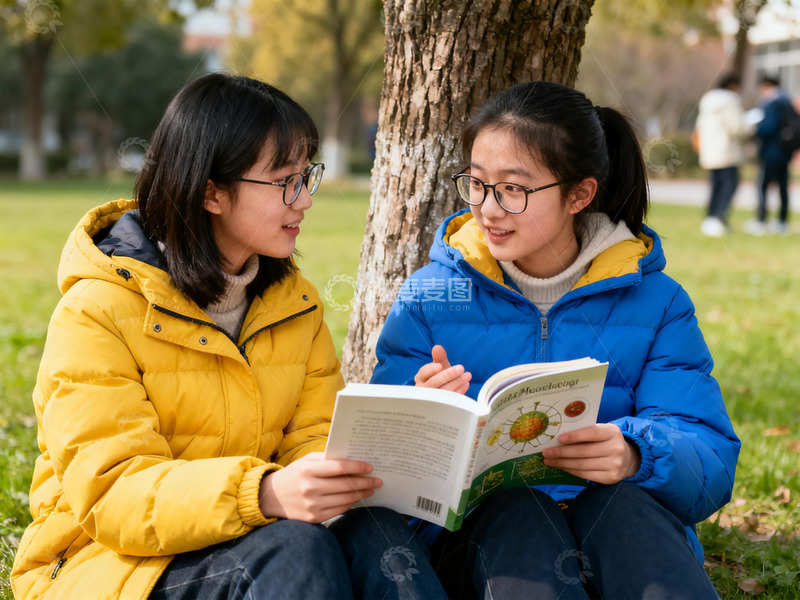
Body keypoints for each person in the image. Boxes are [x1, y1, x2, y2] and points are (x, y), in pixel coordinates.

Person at [11, 73, 446, 600]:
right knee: (295, 548)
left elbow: (311, 443)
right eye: (285, 180)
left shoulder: (293, 304)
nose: (305, 199)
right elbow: (113, 495)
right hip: (110, 566)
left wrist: (400, 431)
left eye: (306, 175)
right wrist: (261, 493)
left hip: (256, 538)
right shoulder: (96, 311)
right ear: (211, 192)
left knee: (377, 533)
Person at [371, 81, 740, 599]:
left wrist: (636, 454)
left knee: (625, 504)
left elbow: (709, 456)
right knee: (518, 509)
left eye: (514, 189)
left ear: (579, 194)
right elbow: (380, 467)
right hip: (481, 541)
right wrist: (421, 415)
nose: (489, 209)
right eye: (476, 183)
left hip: (615, 526)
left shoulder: (657, 301)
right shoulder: (432, 295)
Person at [695, 73, 753, 237]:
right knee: (730, 185)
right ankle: (718, 218)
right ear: (733, 85)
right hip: (726, 151)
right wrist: (752, 127)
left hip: (710, 152)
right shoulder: (730, 100)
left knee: (716, 186)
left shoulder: (707, 100)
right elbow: (737, 127)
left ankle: (710, 218)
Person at [745, 74, 795, 235]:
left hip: (770, 153)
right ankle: (782, 221)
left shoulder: (771, 103)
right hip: (785, 152)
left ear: (766, 85)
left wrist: (755, 129)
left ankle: (761, 220)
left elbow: (769, 127)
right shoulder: (787, 102)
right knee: (783, 188)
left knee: (763, 187)